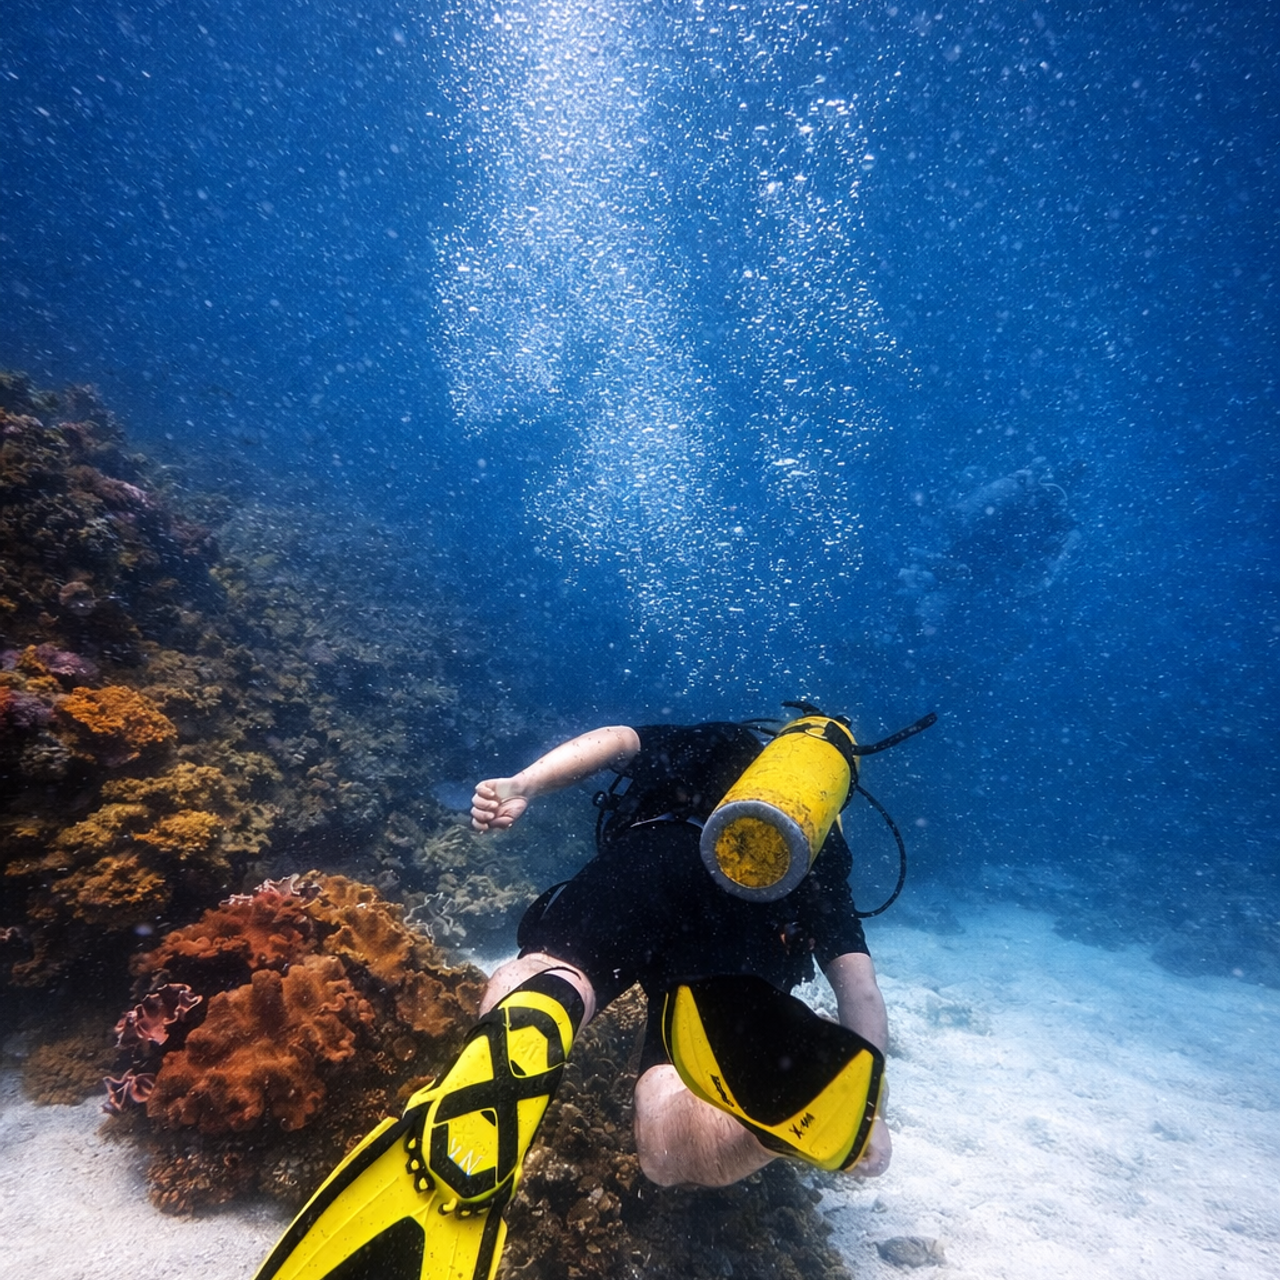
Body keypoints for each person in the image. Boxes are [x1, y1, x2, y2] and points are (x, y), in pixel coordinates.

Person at [469, 720, 893, 1187]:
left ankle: (521, 1028)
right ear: (836, 790)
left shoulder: (724, 741)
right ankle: (782, 1118)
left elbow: (616, 740)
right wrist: (870, 1103)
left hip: (652, 859)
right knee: (667, 1131)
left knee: (555, 970)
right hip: (744, 925)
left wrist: (523, 784)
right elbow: (858, 984)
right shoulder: (821, 846)